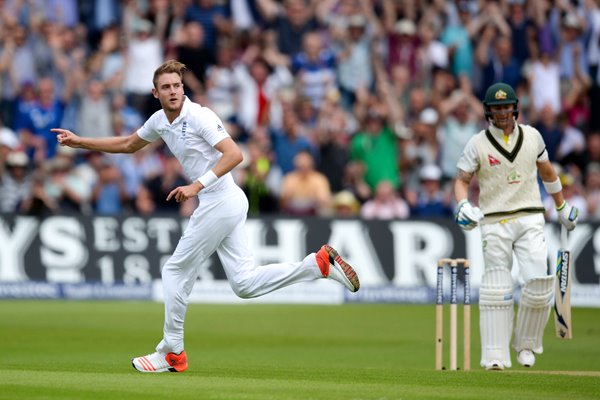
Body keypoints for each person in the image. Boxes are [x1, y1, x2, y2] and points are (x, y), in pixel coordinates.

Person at [52, 59, 360, 373]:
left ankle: (172, 353)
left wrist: (196, 186)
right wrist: (80, 142)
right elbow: (130, 144)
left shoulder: (199, 116)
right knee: (244, 284)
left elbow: (235, 155)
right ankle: (317, 264)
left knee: (174, 272)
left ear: (183, 88)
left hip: (220, 199)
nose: (173, 92)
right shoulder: (159, 120)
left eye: (177, 86)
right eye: (166, 87)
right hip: (222, 201)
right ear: (155, 92)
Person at [453, 82, 579, 371]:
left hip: (531, 217)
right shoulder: (477, 143)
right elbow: (461, 180)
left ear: (515, 107)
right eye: (496, 108)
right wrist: (462, 205)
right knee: (497, 287)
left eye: (506, 106)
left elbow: (547, 171)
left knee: (538, 284)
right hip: (494, 220)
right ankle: (494, 355)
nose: (502, 112)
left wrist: (561, 206)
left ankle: (527, 345)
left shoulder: (533, 136)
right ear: (488, 111)